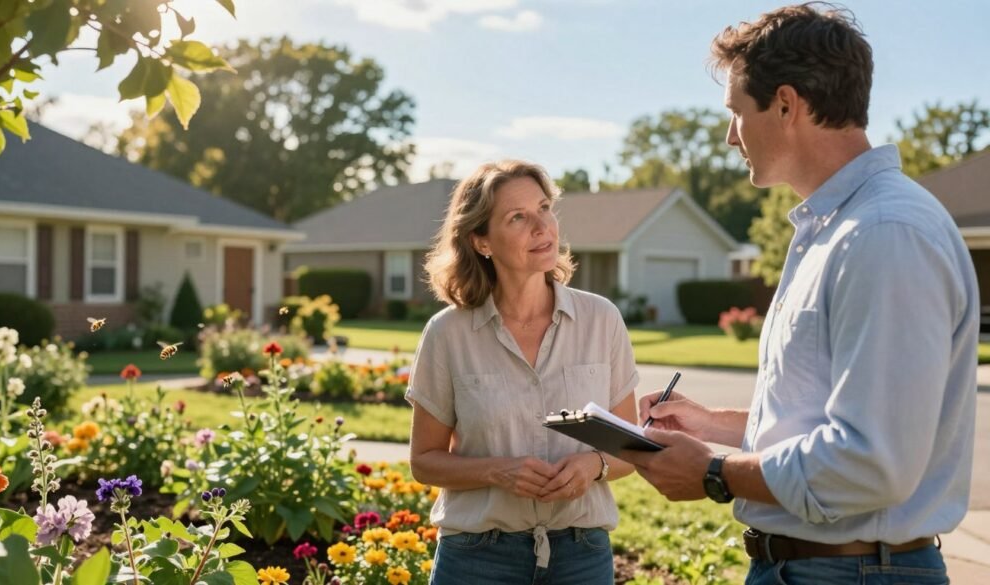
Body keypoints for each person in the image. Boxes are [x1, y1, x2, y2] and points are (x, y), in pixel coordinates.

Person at [620, 4, 979, 585]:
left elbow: (869, 462)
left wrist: (715, 471)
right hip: (824, 568)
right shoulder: (833, 229)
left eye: (737, 112)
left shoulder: (883, 234)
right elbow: (821, 419)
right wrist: (714, 425)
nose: (729, 135)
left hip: (856, 573)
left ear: (786, 104)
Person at [407, 160, 639, 584]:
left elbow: (630, 448)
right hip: (476, 557)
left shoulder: (601, 319)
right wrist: (497, 471)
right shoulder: (447, 334)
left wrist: (592, 466)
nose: (542, 226)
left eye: (545, 207)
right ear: (482, 241)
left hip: (582, 555)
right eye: (518, 217)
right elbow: (424, 462)